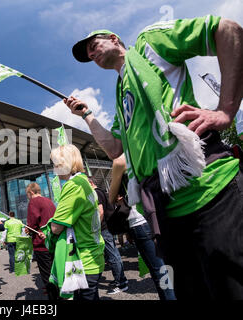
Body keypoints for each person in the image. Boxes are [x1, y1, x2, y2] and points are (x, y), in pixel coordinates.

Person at [66, 16, 243, 299]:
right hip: (167, 210)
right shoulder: (121, 94)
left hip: (210, 190)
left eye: (92, 44)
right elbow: (114, 149)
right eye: (87, 54)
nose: (90, 53)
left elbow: (227, 30)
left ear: (113, 38)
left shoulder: (151, 43)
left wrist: (226, 109)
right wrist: (86, 115)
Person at [109, 154, 176, 300]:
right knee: (166, 267)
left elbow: (112, 197)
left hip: (139, 222)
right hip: (158, 216)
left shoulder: (122, 162)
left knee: (159, 272)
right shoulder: (144, 157)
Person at [49, 144, 105, 300]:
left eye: (56, 164)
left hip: (83, 261)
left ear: (65, 164)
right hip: (94, 255)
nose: (54, 169)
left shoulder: (73, 185)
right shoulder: (85, 182)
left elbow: (56, 227)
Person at [88, 178, 128, 295]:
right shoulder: (102, 191)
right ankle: (121, 280)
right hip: (108, 227)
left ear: (90, 183)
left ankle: (121, 283)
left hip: (104, 228)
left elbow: (100, 212)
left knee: (113, 256)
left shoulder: (95, 193)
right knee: (115, 255)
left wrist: (95, 228)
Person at [25, 182, 58, 300]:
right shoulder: (49, 201)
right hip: (53, 241)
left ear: (31, 192)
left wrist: (27, 229)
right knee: (56, 273)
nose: (28, 197)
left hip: (41, 244)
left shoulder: (33, 202)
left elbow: (32, 223)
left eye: (27, 195)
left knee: (47, 276)